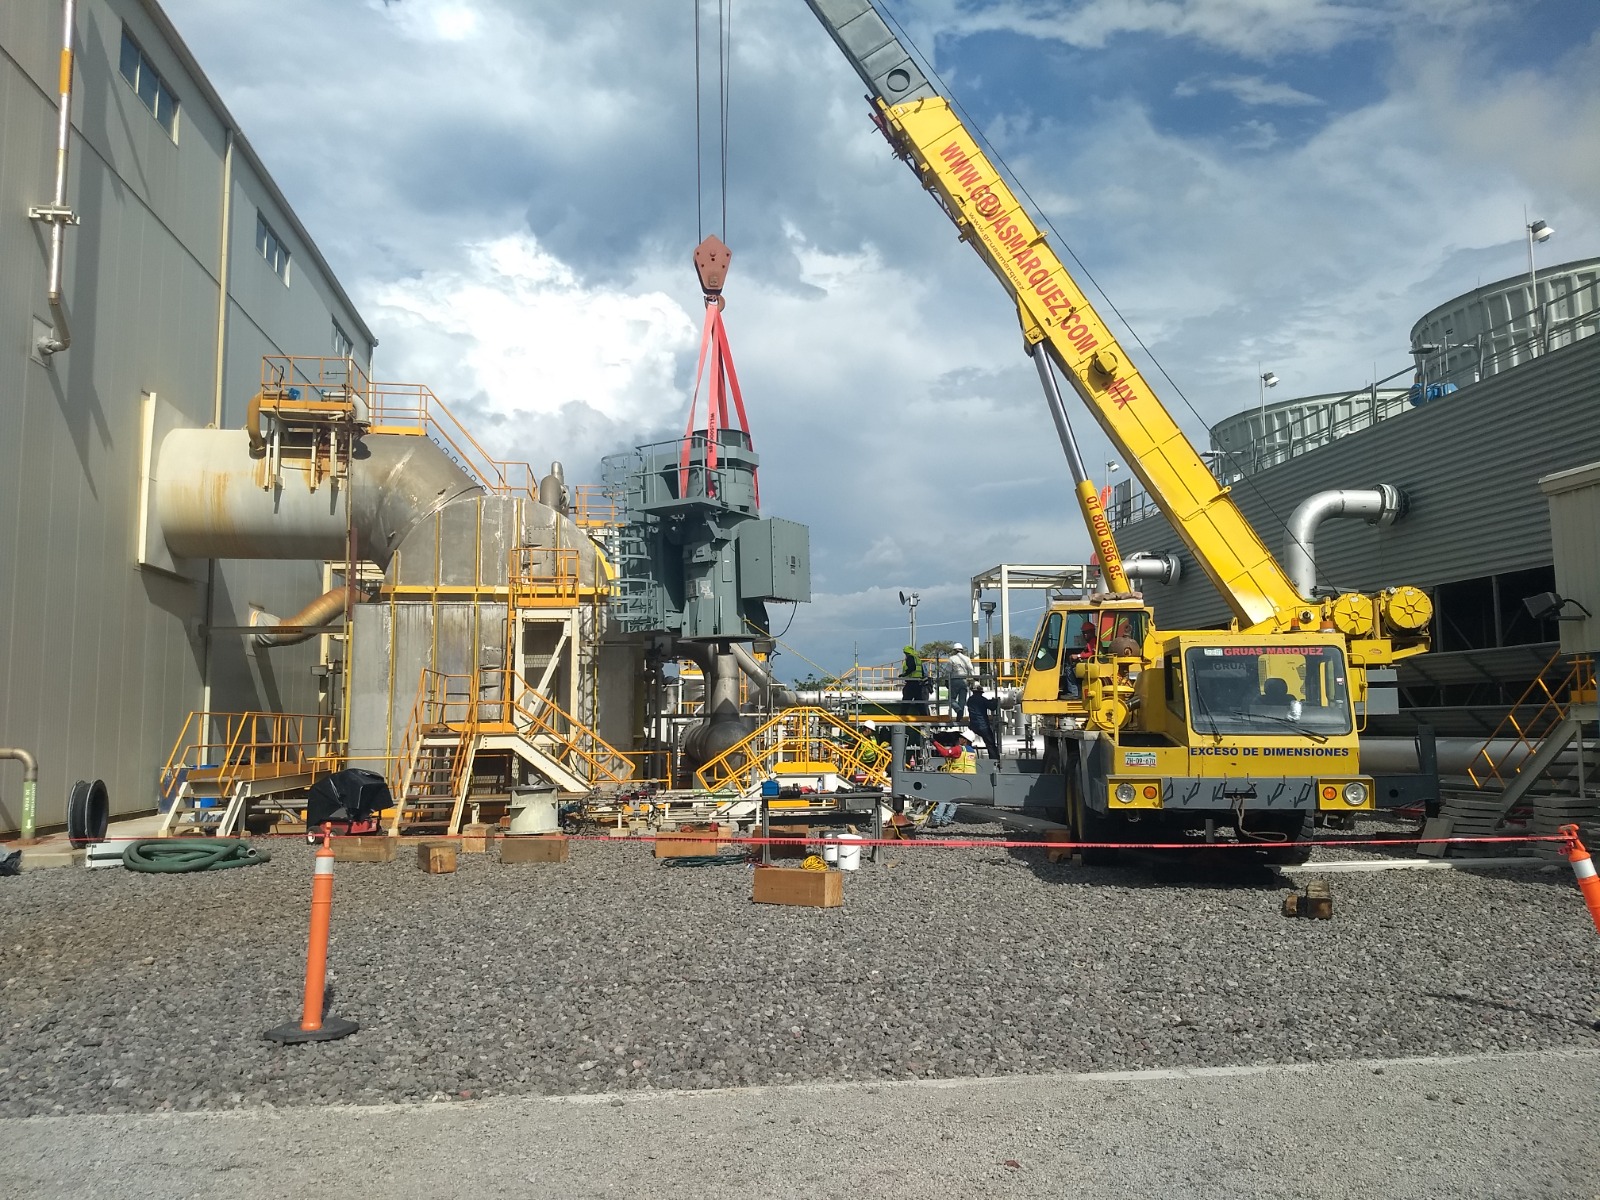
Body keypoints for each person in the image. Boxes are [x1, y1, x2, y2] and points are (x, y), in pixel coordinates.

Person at [966, 681, 1000, 762]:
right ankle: (994, 761)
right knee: (990, 744)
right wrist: (995, 701)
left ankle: (967, 757)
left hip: (973, 725)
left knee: (968, 742)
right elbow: (992, 707)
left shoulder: (970, 700)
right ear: (980, 692)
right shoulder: (982, 699)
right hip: (983, 725)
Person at [946, 641, 975, 721]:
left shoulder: (952, 659)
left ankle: (958, 709)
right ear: (962, 650)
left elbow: (948, 671)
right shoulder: (967, 659)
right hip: (964, 681)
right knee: (962, 700)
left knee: (951, 699)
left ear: (954, 650)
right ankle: (960, 716)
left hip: (954, 680)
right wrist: (973, 679)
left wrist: (946, 680)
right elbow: (971, 669)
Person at [900, 644, 928, 713]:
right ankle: (924, 716)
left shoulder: (910, 658)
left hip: (911, 681)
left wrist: (904, 674)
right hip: (918, 682)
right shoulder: (917, 659)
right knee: (919, 701)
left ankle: (903, 715)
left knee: (906, 700)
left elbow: (912, 668)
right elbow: (922, 671)